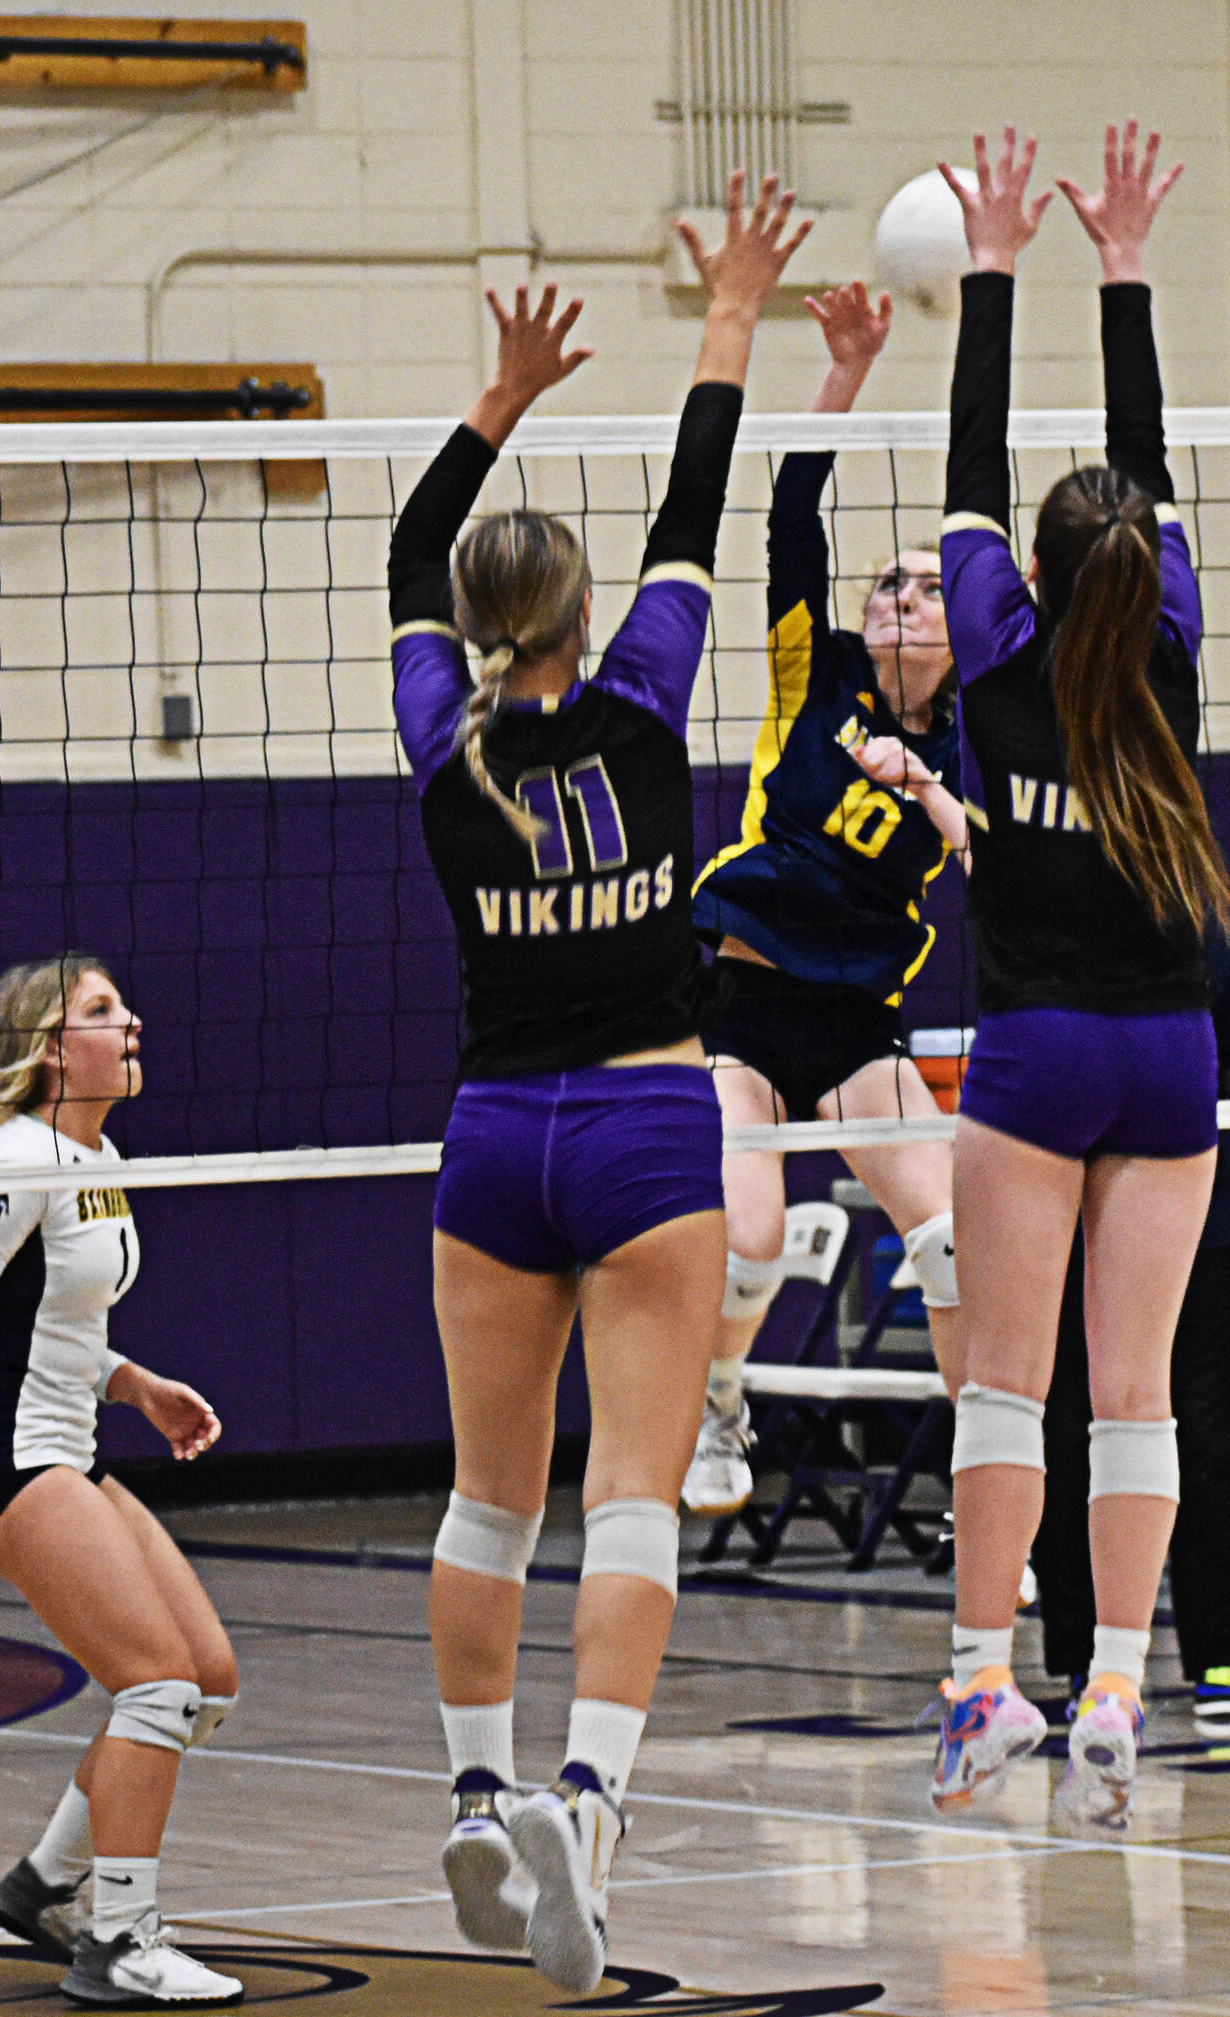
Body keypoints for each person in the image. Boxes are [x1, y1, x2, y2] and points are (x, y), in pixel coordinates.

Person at [387, 180, 808, 1994]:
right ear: (582, 610)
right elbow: (699, 488)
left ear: (483, 627)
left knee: (491, 1498)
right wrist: (727, 307)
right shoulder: (644, 698)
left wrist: (499, 398)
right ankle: (592, 1807)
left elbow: (412, 562)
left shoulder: (439, 737)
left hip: (496, 1136)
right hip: (648, 1124)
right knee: (633, 1490)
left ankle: (478, 1804)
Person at [927, 122, 1230, 1834]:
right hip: (1171, 1058)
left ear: (1035, 580)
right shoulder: (1168, 653)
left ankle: (988, 1684)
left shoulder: (993, 649)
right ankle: (1117, 1684)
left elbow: (966, 461)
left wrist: (1000, 266)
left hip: (1037, 1055)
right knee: (1138, 1396)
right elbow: (1149, 465)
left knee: (1003, 1381)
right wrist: (1126, 275)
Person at [0, 954, 241, 2008]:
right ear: (51, 1048)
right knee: (155, 1682)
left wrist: (134, 1384)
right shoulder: (17, 1154)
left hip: (71, 1442)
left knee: (208, 1678)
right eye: (103, 1011)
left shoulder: (95, 1153)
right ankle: (120, 1937)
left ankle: (42, 1884)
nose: (132, 1022)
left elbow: (49, 1326)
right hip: (10, 1460)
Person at [684, 278, 968, 1516]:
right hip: (740, 1000)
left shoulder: (977, 741)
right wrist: (845, 368)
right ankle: (718, 1402)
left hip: (858, 1025)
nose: (892, 596)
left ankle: (988, 1465)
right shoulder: (816, 674)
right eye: (885, 585)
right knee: (750, 1238)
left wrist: (929, 790)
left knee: (957, 1240)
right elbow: (791, 505)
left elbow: (990, 865)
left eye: (922, 588)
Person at [1030, 924, 1230, 1741]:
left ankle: (1219, 1659)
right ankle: (1084, 1662)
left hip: (1195, 1228)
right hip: (1070, 1223)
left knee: (1200, 1435)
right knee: (1067, 1428)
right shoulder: (1047, 930)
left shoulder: (1210, 943)